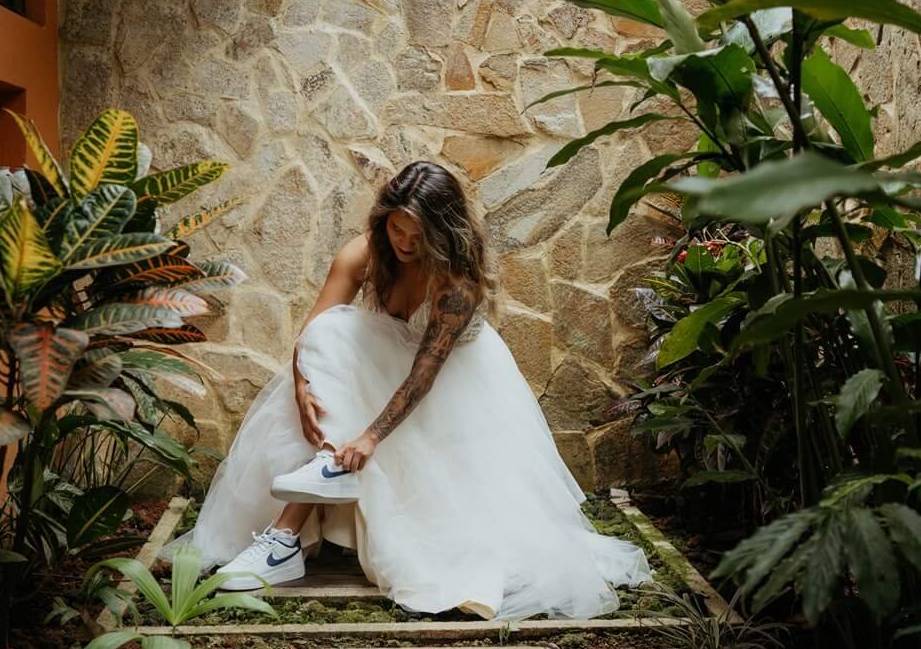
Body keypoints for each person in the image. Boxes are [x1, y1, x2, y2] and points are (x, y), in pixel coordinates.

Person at [188, 160, 650, 620]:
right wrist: (302, 390)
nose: (405, 244)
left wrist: (369, 437)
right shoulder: (364, 253)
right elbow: (313, 332)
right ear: (384, 221)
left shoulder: (457, 282)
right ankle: (309, 499)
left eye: (418, 236)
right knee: (332, 347)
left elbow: (423, 375)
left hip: (453, 388)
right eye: (397, 230)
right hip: (387, 366)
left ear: (443, 230)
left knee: (367, 414)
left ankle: (288, 533)